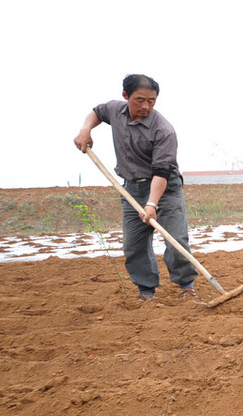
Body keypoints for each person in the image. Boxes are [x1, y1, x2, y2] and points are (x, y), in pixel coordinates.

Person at [73, 74, 198, 301]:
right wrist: (85, 130)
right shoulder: (115, 110)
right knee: (133, 244)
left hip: (165, 189)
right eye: (140, 100)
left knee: (175, 240)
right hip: (131, 188)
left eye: (152, 101)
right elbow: (97, 112)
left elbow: (161, 172)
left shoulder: (163, 130)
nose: (146, 106)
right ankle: (146, 290)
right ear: (126, 96)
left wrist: (152, 204)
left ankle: (186, 285)